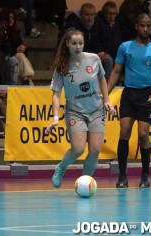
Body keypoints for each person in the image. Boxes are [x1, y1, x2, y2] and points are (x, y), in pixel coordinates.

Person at [46, 28, 116, 188]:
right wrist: (55, 118)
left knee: (95, 149)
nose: (78, 46)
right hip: (75, 112)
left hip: (96, 111)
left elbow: (102, 79)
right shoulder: (62, 67)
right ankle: (60, 168)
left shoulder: (94, 59)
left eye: (80, 43)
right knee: (77, 149)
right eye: (74, 43)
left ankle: (85, 182)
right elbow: (56, 94)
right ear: (67, 44)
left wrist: (106, 100)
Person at [107, 13, 151, 188]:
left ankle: (145, 174)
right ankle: (122, 176)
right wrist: (105, 95)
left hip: (146, 95)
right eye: (143, 25)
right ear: (136, 27)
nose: (146, 29)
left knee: (143, 135)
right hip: (128, 95)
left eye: (149, 26)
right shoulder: (125, 47)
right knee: (124, 132)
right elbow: (116, 71)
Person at [59, 3, 113, 81]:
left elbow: (96, 42)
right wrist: (95, 54)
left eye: (92, 15)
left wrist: (100, 52)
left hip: (90, 53)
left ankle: (103, 86)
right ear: (81, 14)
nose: (90, 17)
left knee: (108, 60)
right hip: (74, 53)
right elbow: (73, 47)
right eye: (87, 14)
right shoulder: (72, 25)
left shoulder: (96, 24)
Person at [0, 8, 35, 85]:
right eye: (9, 18)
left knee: (21, 55)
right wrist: (16, 49)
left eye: (13, 18)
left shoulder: (15, 32)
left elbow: (23, 49)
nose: (11, 20)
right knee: (19, 56)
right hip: (7, 57)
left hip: (16, 57)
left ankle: (26, 79)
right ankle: (27, 79)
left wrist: (23, 48)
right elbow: (5, 50)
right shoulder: (2, 32)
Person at [96, 1, 122, 78]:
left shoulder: (116, 24)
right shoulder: (98, 22)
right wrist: (100, 52)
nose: (111, 16)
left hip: (115, 54)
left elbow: (118, 41)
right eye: (109, 13)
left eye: (114, 14)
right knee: (109, 60)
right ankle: (106, 86)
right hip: (102, 53)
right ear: (104, 13)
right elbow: (95, 40)